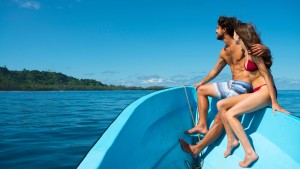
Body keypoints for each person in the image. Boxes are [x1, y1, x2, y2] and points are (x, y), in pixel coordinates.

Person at [180, 16, 269, 157]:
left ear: (224, 29)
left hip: (243, 86)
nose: (215, 31)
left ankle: (196, 149)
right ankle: (202, 125)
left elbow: (256, 46)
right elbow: (215, 70)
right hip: (231, 84)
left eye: (217, 28)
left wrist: (264, 48)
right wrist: (202, 81)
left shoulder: (240, 42)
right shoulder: (224, 51)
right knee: (201, 90)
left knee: (219, 117)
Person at [217, 22, 290, 168]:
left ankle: (250, 153)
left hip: (265, 91)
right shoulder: (245, 53)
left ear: (241, 35)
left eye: (236, 33)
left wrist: (274, 101)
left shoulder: (252, 52)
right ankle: (231, 140)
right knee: (221, 105)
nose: (234, 34)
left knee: (231, 114)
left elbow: (266, 75)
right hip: (256, 91)